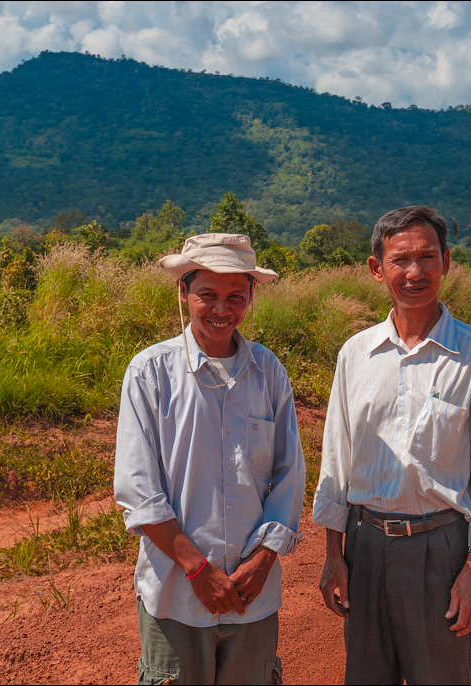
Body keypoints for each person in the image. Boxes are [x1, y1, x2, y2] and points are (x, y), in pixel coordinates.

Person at [313, 206, 471, 685]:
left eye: (427, 257)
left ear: (446, 262)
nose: (414, 271)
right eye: (400, 259)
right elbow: (337, 457)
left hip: (441, 551)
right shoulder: (355, 354)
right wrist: (333, 553)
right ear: (376, 268)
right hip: (364, 549)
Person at [115, 233, 306, 685]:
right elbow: (139, 491)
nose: (222, 309)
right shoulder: (150, 373)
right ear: (183, 292)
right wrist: (197, 569)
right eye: (208, 295)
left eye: (235, 297)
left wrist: (263, 561)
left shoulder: (268, 372)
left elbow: (289, 474)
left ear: (250, 297)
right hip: (177, 594)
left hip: (251, 594)